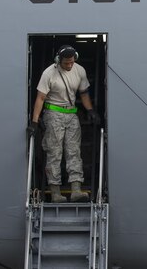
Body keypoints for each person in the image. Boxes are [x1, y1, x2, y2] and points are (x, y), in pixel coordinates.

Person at [27, 45, 100, 203]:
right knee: (54, 152)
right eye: (66, 63)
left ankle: (76, 190)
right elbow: (40, 98)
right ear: (58, 61)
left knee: (74, 151)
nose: (69, 66)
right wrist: (34, 122)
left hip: (71, 114)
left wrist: (90, 110)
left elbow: (84, 92)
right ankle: (55, 193)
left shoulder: (79, 70)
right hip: (53, 114)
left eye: (72, 62)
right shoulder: (49, 73)